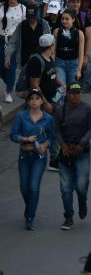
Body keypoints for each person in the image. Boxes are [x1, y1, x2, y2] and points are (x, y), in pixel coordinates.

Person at [10, 89, 54, 230]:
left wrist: (45, 145)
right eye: (31, 99)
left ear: (42, 101)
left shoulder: (48, 118)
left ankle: (30, 217)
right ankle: (29, 208)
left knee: (34, 187)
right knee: (24, 188)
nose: (34, 101)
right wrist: (24, 139)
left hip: (39, 157)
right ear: (28, 102)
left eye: (37, 98)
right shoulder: (21, 117)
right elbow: (13, 135)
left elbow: (52, 136)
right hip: (24, 156)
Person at [55, 83, 91, 230]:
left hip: (82, 152)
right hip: (66, 153)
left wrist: (82, 143)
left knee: (81, 185)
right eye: (73, 93)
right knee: (65, 188)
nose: (75, 95)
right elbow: (57, 130)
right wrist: (63, 145)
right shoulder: (61, 110)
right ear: (68, 94)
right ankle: (68, 217)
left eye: (78, 92)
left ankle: (82, 201)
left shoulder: (88, 108)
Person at [0, 0, 26, 102]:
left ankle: (8, 91)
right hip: (1, 39)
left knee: (10, 66)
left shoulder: (22, 8)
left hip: (15, 41)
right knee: (1, 66)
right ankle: (10, 82)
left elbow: (25, 26)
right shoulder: (1, 7)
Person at [53, 9, 85, 93]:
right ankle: (60, 106)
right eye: (62, 19)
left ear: (73, 19)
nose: (64, 21)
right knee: (61, 89)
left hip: (73, 64)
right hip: (59, 63)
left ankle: (69, 106)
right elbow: (53, 50)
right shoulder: (57, 31)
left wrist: (79, 70)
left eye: (67, 19)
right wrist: (52, 65)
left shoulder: (79, 33)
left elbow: (81, 53)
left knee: (72, 91)